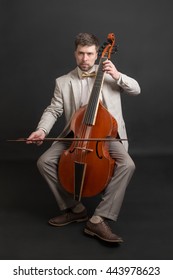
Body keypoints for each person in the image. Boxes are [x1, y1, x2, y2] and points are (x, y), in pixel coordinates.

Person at [27, 32, 141, 243]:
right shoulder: (63, 82)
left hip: (106, 137)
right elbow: (54, 110)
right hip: (76, 135)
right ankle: (75, 208)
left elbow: (136, 90)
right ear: (75, 54)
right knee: (44, 162)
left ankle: (98, 219)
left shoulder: (109, 73)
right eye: (81, 54)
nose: (85, 59)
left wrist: (117, 75)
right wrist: (42, 130)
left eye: (89, 54)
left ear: (97, 53)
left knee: (128, 165)